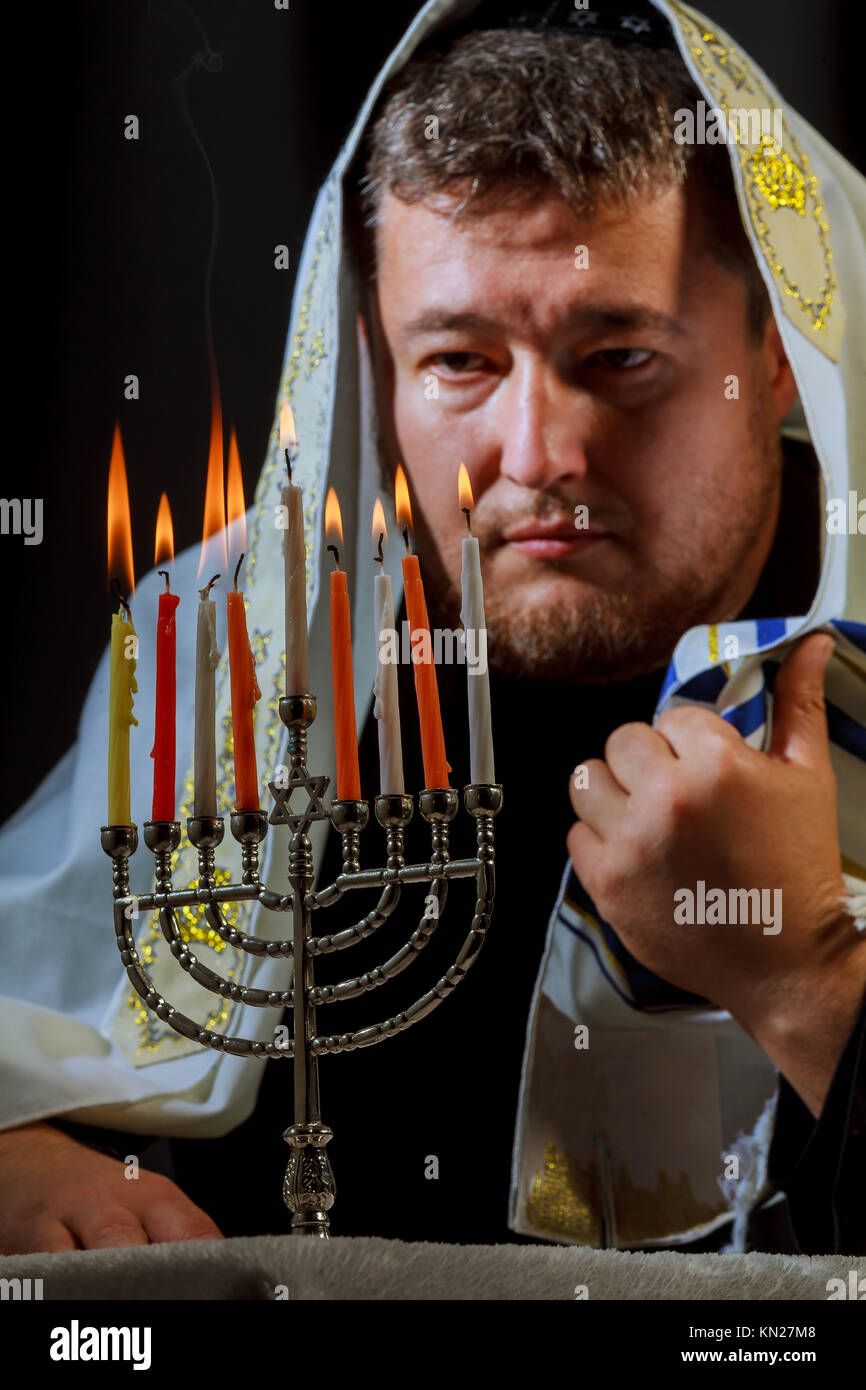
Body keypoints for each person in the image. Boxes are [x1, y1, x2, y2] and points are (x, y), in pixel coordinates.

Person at [1, 0, 864, 1259]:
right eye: (458, 361)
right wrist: (20, 1144)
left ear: (780, 350)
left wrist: (808, 981)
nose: (537, 457)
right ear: (373, 363)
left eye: (618, 356)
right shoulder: (240, 650)